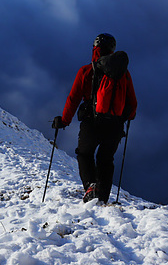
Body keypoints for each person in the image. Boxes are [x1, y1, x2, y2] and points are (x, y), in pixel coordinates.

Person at [52, 33, 137, 203]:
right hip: (115, 126)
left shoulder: (86, 71)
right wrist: (123, 118)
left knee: (84, 154)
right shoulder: (124, 74)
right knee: (106, 160)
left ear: (95, 49)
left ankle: (91, 187)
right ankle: (102, 198)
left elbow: (73, 98)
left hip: (92, 122)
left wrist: (64, 120)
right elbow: (132, 104)